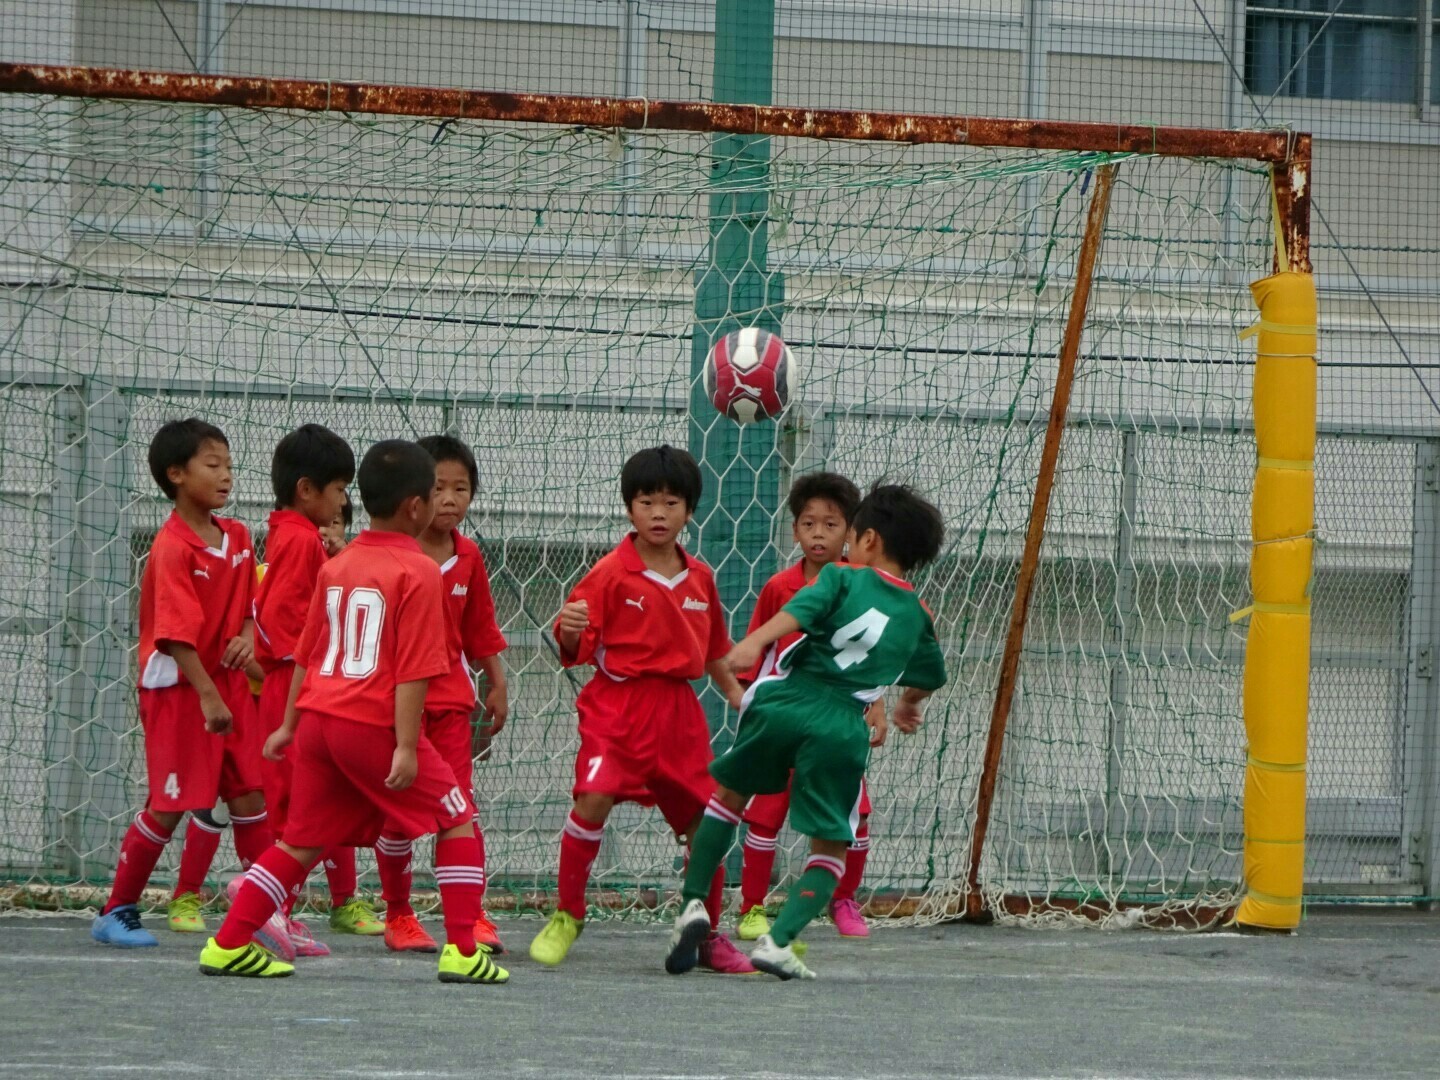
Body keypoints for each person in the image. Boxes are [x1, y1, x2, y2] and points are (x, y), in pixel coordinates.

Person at [198, 440, 507, 983]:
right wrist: (408, 746)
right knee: (456, 816)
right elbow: (413, 672)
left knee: (300, 841)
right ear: (416, 507)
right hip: (371, 726)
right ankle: (462, 951)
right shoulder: (420, 573)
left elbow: (306, 653)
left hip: (318, 721)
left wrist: (290, 726)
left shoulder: (337, 564)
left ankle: (226, 944)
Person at [666, 484, 949, 980]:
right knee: (830, 847)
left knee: (728, 800)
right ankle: (779, 941)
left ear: (867, 540)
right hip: (843, 726)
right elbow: (930, 674)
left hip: (787, 700)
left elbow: (801, 611)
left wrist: (753, 642)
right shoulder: (919, 615)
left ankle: (693, 906)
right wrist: (907, 704)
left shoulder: (840, 577)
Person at [527, 445, 752, 973]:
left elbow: (716, 650)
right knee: (594, 798)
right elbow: (574, 644)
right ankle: (567, 914)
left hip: (678, 712)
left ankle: (707, 935)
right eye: (647, 501)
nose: (658, 513)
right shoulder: (608, 574)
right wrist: (569, 629)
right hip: (618, 706)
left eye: (671, 503)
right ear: (629, 509)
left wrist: (741, 697)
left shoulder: (701, 579)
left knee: (706, 822)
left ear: (689, 511)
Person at [91, 419, 271, 948]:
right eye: (212, 466)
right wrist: (210, 697)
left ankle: (268, 912)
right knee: (169, 806)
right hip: (183, 692)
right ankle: (116, 910)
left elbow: (247, 607)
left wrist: (245, 637)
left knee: (249, 795)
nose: (226, 476)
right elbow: (173, 636)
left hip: (227, 684)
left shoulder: (237, 536)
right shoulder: (172, 548)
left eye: (229, 466)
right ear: (175, 474)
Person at [732, 472, 886, 942]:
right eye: (808, 524)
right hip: (783, 721)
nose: (818, 533)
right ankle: (753, 907)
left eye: (831, 524)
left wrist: (877, 704)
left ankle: (843, 900)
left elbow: (873, 653)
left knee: (853, 816)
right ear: (795, 530)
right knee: (764, 812)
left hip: (835, 723)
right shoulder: (779, 588)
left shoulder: (861, 588)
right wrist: (746, 701)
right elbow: (756, 655)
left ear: (852, 533)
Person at [377, 435, 510, 954]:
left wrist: (496, 681)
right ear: (414, 496)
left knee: (461, 810)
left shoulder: (469, 556)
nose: (451, 499)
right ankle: (397, 914)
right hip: (396, 710)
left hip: (454, 705)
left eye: (462, 488)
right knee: (396, 817)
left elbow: (480, 628)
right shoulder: (395, 557)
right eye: (439, 487)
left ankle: (471, 915)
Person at [250, 423, 364, 951]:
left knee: (311, 803)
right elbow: (281, 618)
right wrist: (313, 670)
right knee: (297, 804)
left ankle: (280, 906)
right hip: (292, 691)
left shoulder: (298, 537)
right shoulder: (297, 541)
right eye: (340, 490)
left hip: (296, 686)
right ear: (306, 490)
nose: (344, 501)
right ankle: (266, 903)